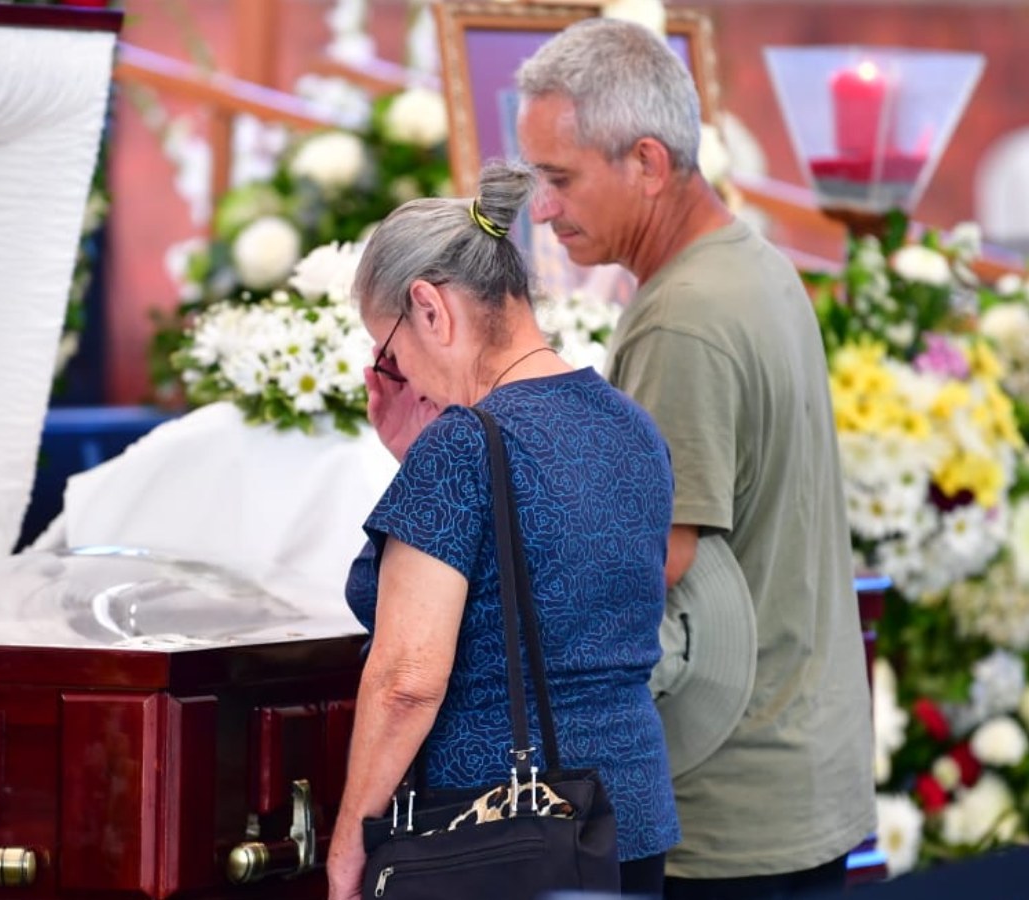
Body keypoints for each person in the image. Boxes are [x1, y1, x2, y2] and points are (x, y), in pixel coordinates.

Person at [515, 18, 876, 900]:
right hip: (798, 768)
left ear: (646, 162)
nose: (543, 207)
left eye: (560, 178)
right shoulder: (753, 264)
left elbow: (651, 565)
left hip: (725, 802)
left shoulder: (684, 318)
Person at [325, 160, 681, 899]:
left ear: (430, 308)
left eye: (388, 353)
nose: (396, 376)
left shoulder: (463, 448)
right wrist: (417, 455)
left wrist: (348, 846)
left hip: (495, 839)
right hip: (630, 823)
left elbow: (405, 685)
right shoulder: (631, 427)